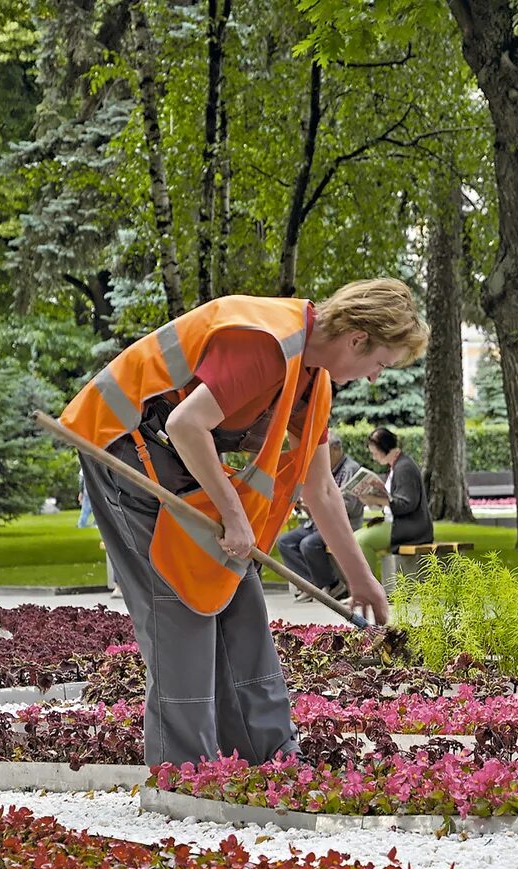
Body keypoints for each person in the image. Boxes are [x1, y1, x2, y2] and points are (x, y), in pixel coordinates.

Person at [59, 280, 428, 767]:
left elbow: (318, 490)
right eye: (381, 363)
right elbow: (185, 424)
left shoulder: (311, 379)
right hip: (122, 444)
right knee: (179, 606)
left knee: (239, 595)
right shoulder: (268, 344)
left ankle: (268, 756)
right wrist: (233, 515)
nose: (376, 377)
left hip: (178, 458)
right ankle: (184, 772)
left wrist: (361, 580)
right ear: (357, 338)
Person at [276, 431, 364, 602]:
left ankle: (332, 584)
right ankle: (310, 584)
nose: (320, 454)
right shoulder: (324, 468)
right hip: (315, 523)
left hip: (340, 524)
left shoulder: (350, 469)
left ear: (336, 449)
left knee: (309, 544)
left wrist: (319, 506)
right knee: (284, 541)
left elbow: (349, 505)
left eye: (324, 449)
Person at [353, 426, 433, 576]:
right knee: (354, 538)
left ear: (383, 448)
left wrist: (377, 499)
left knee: (362, 541)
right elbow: (392, 500)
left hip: (411, 527)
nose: (374, 457)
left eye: (374, 453)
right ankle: (360, 589)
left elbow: (407, 504)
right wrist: (372, 501)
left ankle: (371, 590)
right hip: (398, 523)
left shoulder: (404, 468)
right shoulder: (396, 466)